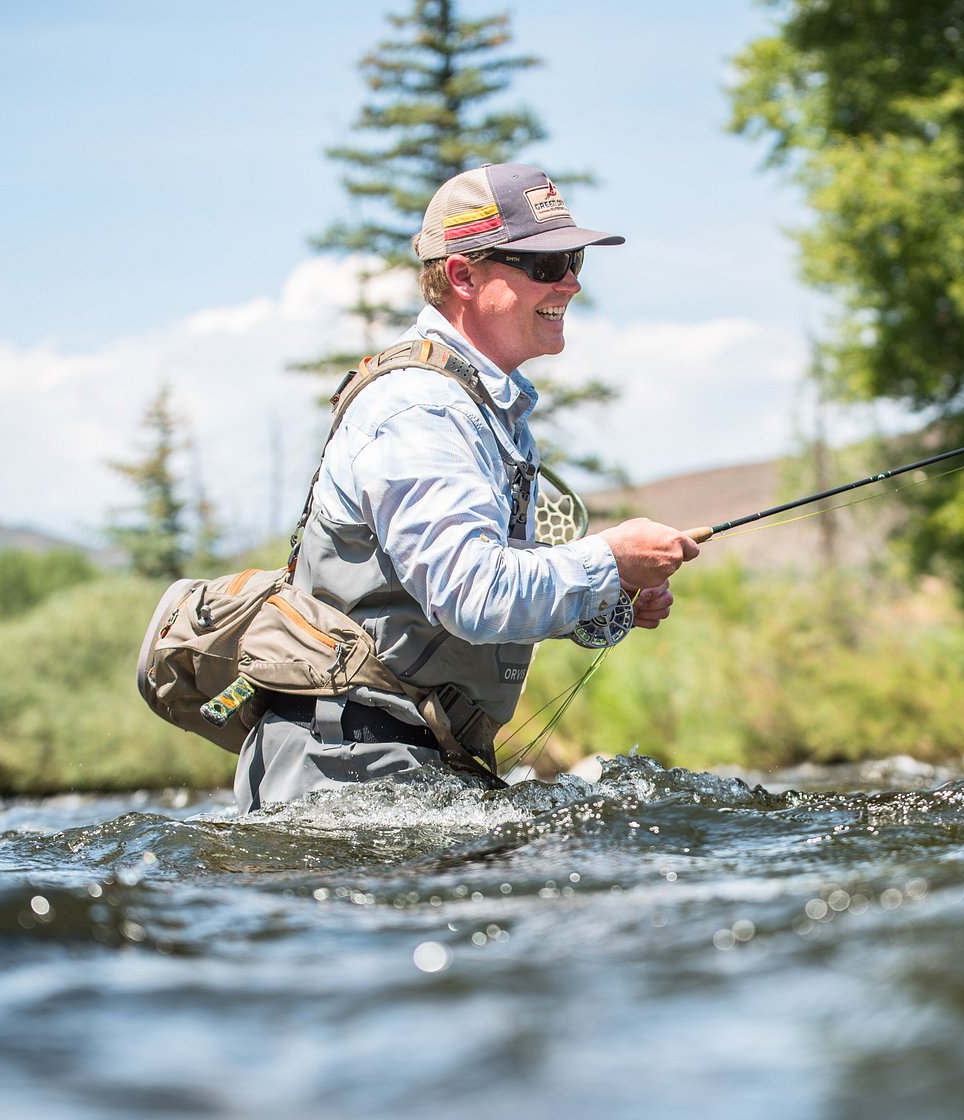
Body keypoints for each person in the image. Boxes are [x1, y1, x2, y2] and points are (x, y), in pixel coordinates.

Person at [234, 162, 698, 812]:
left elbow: (466, 585)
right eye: (544, 264)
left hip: (399, 756)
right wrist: (607, 561)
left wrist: (608, 596)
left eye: (573, 262)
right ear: (462, 275)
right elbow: (473, 595)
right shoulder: (425, 409)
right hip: (352, 764)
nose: (570, 281)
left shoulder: (481, 405)